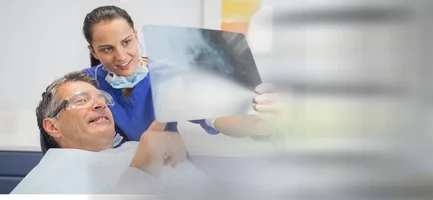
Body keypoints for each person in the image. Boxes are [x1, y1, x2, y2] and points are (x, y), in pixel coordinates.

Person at [80, 5, 281, 147]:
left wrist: (257, 124)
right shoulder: (83, 86)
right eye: (107, 49)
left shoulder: (169, 75)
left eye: (126, 42)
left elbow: (218, 118)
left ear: (136, 35)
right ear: (94, 51)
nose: (121, 56)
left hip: (169, 169)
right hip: (115, 173)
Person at [12, 71, 214, 194]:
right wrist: (143, 168)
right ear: (53, 127)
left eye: (102, 98)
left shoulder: (135, 149)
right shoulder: (48, 182)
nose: (100, 104)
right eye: (81, 100)